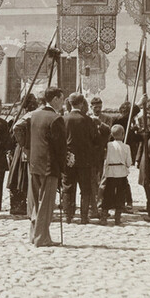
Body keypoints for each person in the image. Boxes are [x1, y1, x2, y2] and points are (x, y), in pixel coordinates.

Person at [14, 86, 67, 247]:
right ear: (55, 99)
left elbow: (17, 127)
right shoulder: (56, 118)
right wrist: (63, 167)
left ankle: (34, 234)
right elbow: (60, 147)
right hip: (49, 166)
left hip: (34, 163)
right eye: (62, 99)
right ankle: (42, 238)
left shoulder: (34, 115)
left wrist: (25, 147)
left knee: (35, 202)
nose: (63, 103)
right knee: (46, 203)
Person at [61, 92, 97, 224]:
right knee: (85, 188)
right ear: (82, 104)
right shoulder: (87, 120)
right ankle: (83, 216)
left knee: (68, 187)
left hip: (69, 158)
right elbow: (94, 138)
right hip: (85, 158)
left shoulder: (64, 119)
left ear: (70, 103)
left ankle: (68, 215)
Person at [7, 93, 38, 216]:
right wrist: (23, 143)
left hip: (25, 148)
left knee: (23, 177)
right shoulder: (22, 116)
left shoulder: (30, 115)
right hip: (23, 149)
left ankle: (24, 204)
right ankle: (18, 205)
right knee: (20, 177)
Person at [97, 125, 133, 226]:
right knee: (120, 195)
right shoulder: (126, 147)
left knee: (108, 194)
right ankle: (117, 218)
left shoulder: (109, 145)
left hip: (110, 173)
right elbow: (129, 162)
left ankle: (104, 217)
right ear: (123, 134)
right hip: (121, 173)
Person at [86, 96, 111, 222]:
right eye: (95, 107)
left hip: (102, 152)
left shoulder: (106, 118)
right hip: (91, 154)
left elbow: (110, 132)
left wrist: (100, 124)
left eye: (100, 107)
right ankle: (93, 207)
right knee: (92, 181)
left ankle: (101, 206)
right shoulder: (87, 118)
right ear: (91, 107)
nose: (98, 110)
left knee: (103, 180)